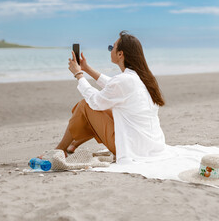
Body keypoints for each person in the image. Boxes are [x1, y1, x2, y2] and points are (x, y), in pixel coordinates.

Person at [40, 31, 174, 164]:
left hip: (131, 148)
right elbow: (113, 86)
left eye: (112, 47)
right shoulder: (142, 78)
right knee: (97, 109)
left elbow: (95, 101)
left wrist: (78, 74)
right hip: (151, 145)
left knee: (85, 105)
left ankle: (59, 149)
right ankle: (73, 145)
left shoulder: (124, 80)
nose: (110, 50)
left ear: (120, 54)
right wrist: (86, 69)